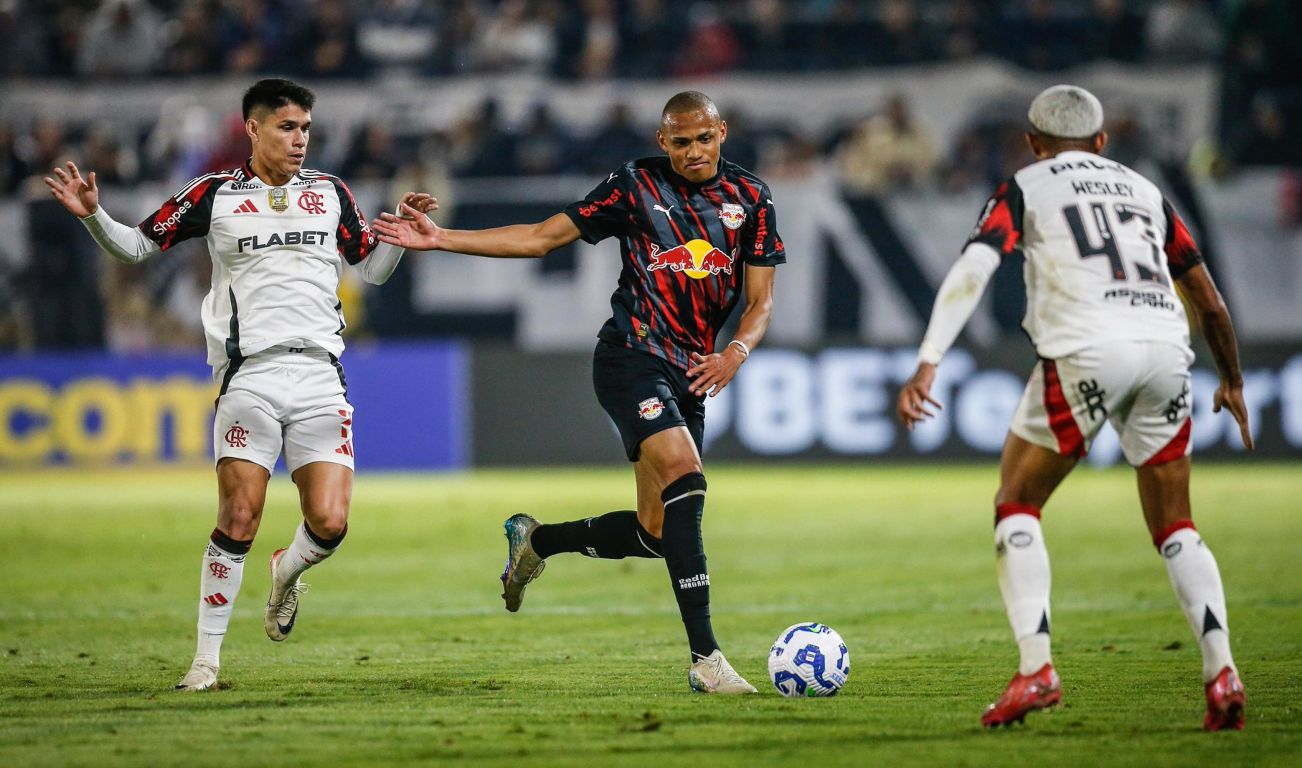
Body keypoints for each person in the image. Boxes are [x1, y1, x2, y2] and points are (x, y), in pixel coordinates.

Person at [373, 90, 785, 694]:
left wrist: (736, 352)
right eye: (680, 141)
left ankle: (536, 541)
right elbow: (541, 237)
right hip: (629, 356)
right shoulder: (634, 186)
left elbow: (760, 301)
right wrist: (442, 239)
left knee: (656, 532)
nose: (694, 152)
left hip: (692, 370)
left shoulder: (752, 198)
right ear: (660, 140)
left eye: (704, 138)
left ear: (722, 132)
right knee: (685, 473)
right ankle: (706, 660)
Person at [44, 78, 437, 692]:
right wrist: (95, 216)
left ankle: (287, 571)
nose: (300, 139)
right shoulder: (215, 194)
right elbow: (136, 247)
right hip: (248, 375)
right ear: (252, 130)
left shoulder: (330, 193)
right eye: (287, 127)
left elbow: (372, 268)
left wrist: (403, 240)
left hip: (319, 376)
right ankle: (205, 662)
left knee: (330, 522)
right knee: (240, 514)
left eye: (306, 128)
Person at [896, 85, 1253, 731]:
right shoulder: (1146, 192)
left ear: (1033, 143)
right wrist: (1232, 380)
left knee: (1017, 503)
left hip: (1089, 351)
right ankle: (1222, 670)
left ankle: (1037, 670)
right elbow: (1209, 298)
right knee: (1176, 525)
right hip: (1168, 351)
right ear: (1101, 142)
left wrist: (928, 358)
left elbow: (975, 268)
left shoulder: (1027, 185)